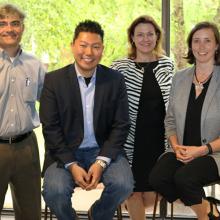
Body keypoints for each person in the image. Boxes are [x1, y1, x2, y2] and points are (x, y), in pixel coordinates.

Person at [40, 20, 134, 220]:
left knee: (123, 185)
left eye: (95, 46)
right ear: (73, 46)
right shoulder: (53, 81)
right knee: (54, 191)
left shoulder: (115, 80)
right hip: (64, 152)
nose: (88, 52)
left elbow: (121, 125)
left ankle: (98, 215)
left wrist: (101, 162)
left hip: (103, 150)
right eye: (83, 45)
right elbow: (50, 129)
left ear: (102, 50)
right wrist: (72, 165)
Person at [149, 21, 220, 220]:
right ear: (190, 46)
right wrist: (176, 146)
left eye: (207, 41)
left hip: (214, 153)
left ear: (217, 45)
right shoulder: (179, 78)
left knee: (184, 178)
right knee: (158, 178)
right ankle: (207, 208)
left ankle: (205, 216)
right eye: (196, 41)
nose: (201, 46)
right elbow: (169, 120)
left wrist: (201, 150)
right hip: (181, 150)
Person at [110, 15, 174, 220]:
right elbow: (108, 105)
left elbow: (176, 104)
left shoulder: (168, 65)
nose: (145, 39)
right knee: (132, 190)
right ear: (132, 38)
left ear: (157, 37)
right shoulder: (119, 67)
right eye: (140, 34)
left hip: (160, 139)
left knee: (157, 190)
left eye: (150, 34)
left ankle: (106, 206)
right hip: (130, 140)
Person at [0, 3, 45, 220]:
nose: (9, 28)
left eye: (15, 23)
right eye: (2, 23)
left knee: (30, 214)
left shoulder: (35, 65)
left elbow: (48, 104)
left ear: (22, 28)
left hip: (27, 148)